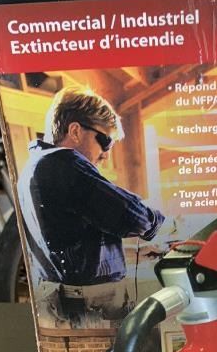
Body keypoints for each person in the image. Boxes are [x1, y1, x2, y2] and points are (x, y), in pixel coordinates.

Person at [18, 89, 165, 286]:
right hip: (88, 300)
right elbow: (131, 216)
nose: (106, 155)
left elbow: (68, 252)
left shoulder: (34, 166)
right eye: (105, 142)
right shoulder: (65, 164)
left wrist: (132, 254)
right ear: (75, 131)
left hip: (61, 295)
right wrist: (161, 222)